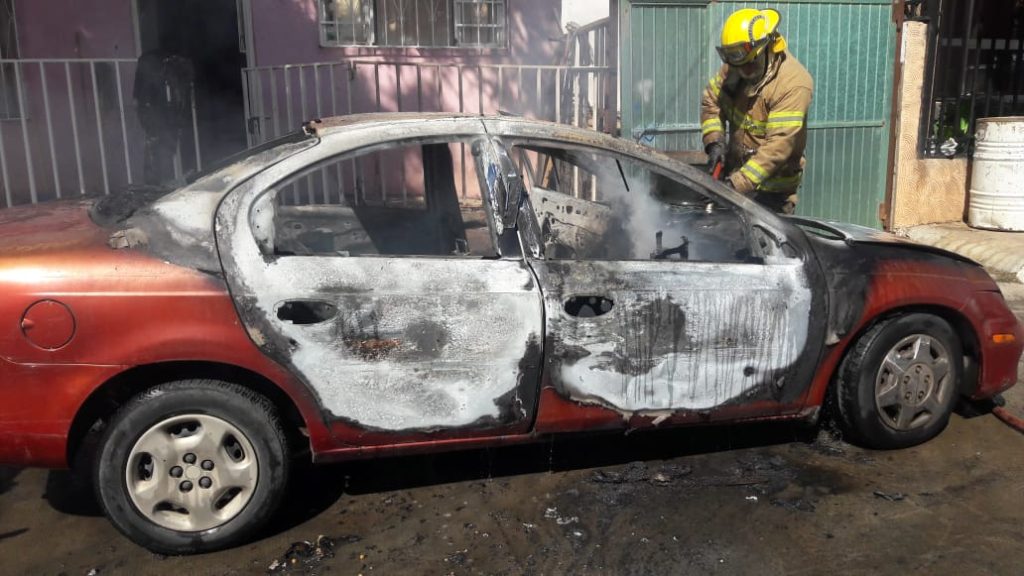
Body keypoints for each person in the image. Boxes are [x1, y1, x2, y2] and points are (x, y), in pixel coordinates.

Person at [700, 8, 813, 214]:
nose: (744, 72)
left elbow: (778, 147)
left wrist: (734, 185)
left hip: (773, 194)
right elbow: (711, 101)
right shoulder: (737, 66)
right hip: (735, 180)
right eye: (738, 65)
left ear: (768, 48)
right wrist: (715, 142)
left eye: (750, 64)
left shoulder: (793, 84)